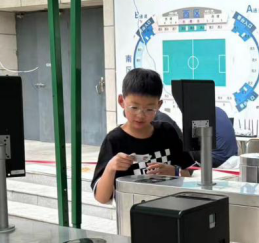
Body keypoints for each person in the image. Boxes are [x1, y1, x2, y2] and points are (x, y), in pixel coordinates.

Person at [92, 69, 194, 204]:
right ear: (121, 101)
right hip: (131, 212)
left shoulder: (167, 132)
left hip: (170, 209)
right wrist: (111, 167)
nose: (140, 115)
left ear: (159, 105)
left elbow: (191, 172)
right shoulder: (114, 140)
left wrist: (175, 172)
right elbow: (101, 198)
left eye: (149, 109)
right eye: (134, 108)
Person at [155, 107, 238, 167]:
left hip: (216, 159)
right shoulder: (219, 110)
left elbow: (193, 145)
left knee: (182, 150)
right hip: (232, 156)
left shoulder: (198, 114)